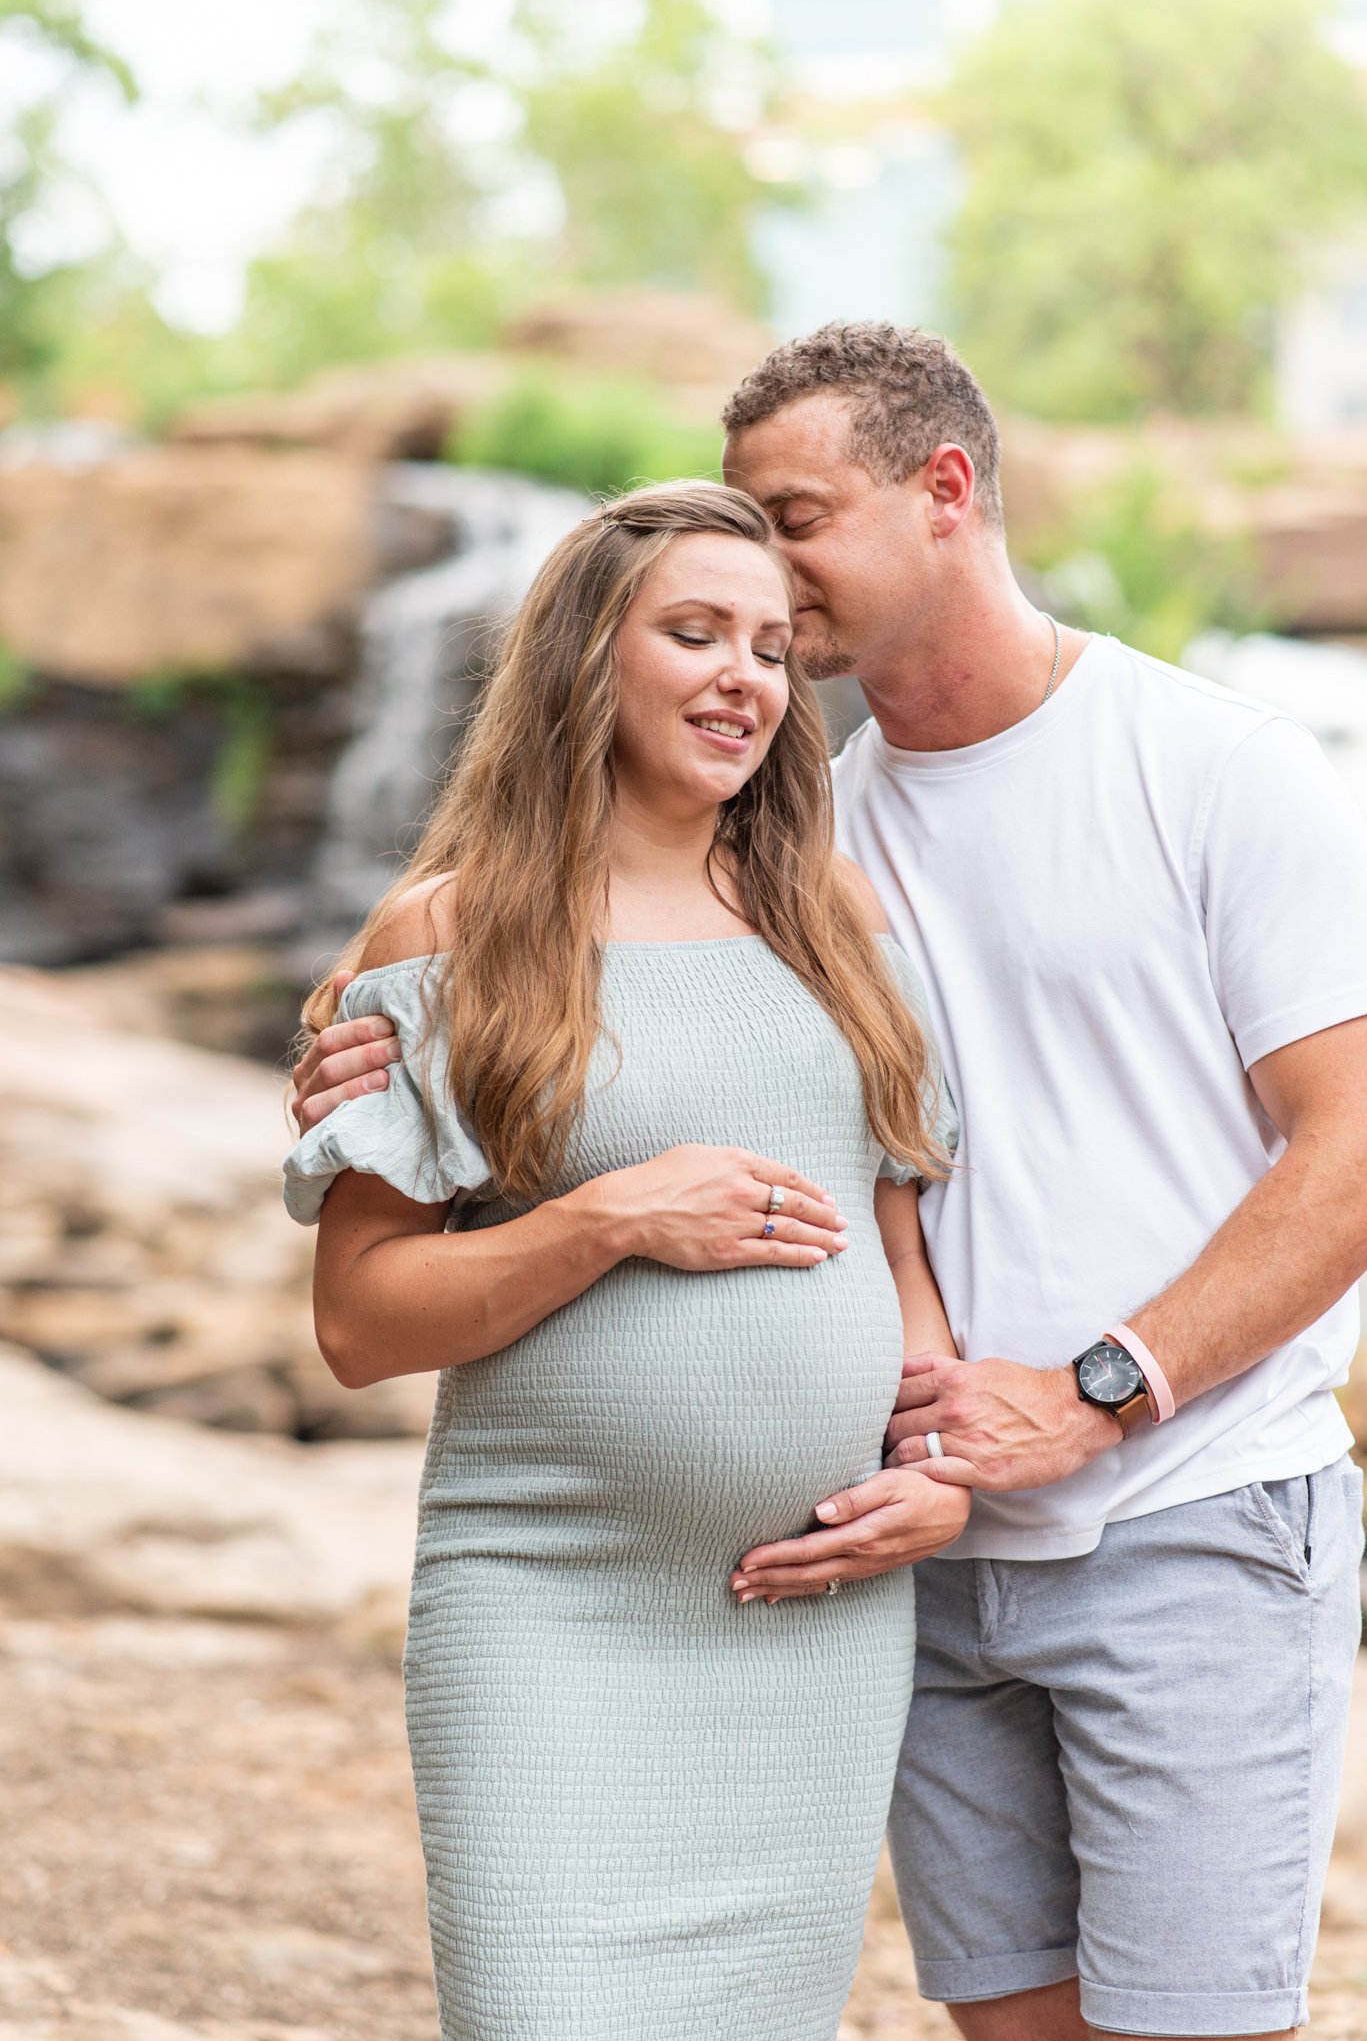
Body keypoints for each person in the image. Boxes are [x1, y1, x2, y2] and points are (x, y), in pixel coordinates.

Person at [297, 327, 1367, 2041]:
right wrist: (389, 1058)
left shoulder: (1201, 769)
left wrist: (1092, 1397)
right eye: (709, 606)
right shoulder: (812, 840)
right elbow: (491, 1096)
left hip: (1173, 1505)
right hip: (873, 1570)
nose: (765, 613)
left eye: (792, 528)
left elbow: (1352, 1146)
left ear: (946, 492)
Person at [282, 479, 968, 2041]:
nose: (747, 676)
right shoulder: (451, 936)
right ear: (591, 654)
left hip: (811, 1624)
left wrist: (936, 1465)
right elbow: (361, 1324)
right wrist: (610, 1217)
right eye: (697, 633)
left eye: (776, 649)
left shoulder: (834, 920)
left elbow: (902, 1252)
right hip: (548, 1605)